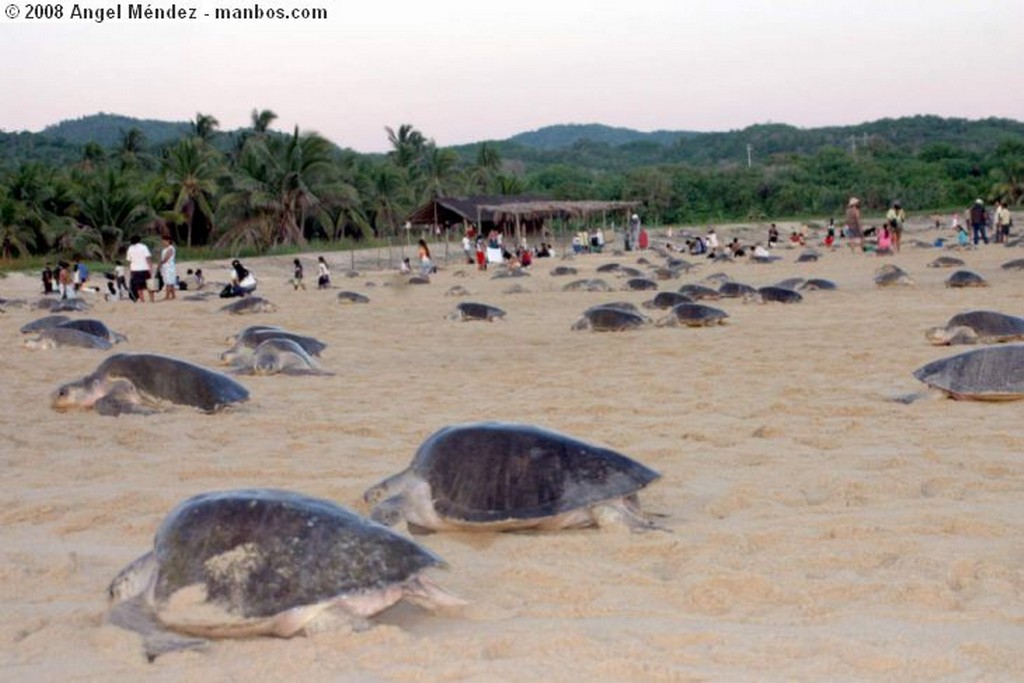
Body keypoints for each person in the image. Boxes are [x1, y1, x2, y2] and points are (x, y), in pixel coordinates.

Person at [125, 235, 153, 304]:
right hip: (144, 268)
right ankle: (151, 299)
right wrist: (150, 268)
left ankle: (142, 300)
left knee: (139, 287)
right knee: (149, 285)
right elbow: (148, 258)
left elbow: (129, 261)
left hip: (135, 270)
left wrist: (130, 271)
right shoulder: (144, 247)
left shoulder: (130, 249)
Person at [158, 235, 177, 300]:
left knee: (169, 281)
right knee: (170, 281)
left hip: (169, 266)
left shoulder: (170, 248)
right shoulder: (165, 249)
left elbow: (166, 258)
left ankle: (167, 296)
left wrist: (160, 263)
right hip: (166, 267)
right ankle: (173, 295)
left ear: (168, 241)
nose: (163, 242)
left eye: (164, 241)